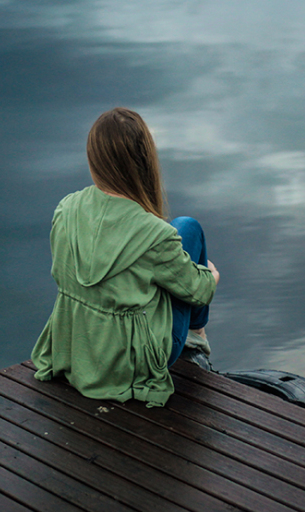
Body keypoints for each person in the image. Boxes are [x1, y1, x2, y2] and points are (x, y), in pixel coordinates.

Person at [31, 107, 219, 408]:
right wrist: (210, 275)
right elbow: (201, 291)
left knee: (176, 238)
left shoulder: (65, 210)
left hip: (78, 351)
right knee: (188, 228)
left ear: (94, 160)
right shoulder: (156, 235)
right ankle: (196, 340)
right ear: (144, 162)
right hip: (131, 366)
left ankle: (192, 336)